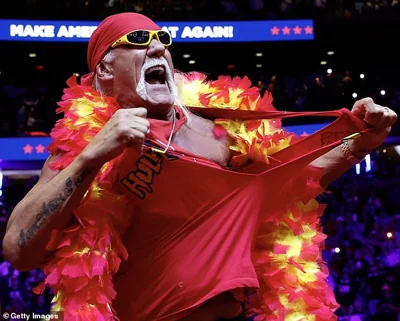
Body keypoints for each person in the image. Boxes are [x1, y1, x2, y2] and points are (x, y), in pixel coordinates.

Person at [2, 12, 397, 321]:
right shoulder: (85, 145)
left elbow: (283, 186)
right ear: (105, 69)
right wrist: (92, 157)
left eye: (163, 39)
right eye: (139, 40)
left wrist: (363, 140)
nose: (157, 47)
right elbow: (19, 249)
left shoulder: (216, 131)